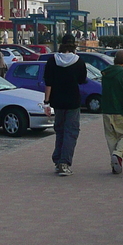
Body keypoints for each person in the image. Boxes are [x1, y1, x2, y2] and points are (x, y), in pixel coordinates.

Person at [43, 33, 87, 176]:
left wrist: (46, 103)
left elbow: (48, 83)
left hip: (57, 100)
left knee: (60, 130)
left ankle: (58, 159)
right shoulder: (79, 61)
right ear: (74, 45)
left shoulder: (52, 61)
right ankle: (64, 162)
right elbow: (82, 80)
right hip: (73, 100)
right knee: (71, 132)